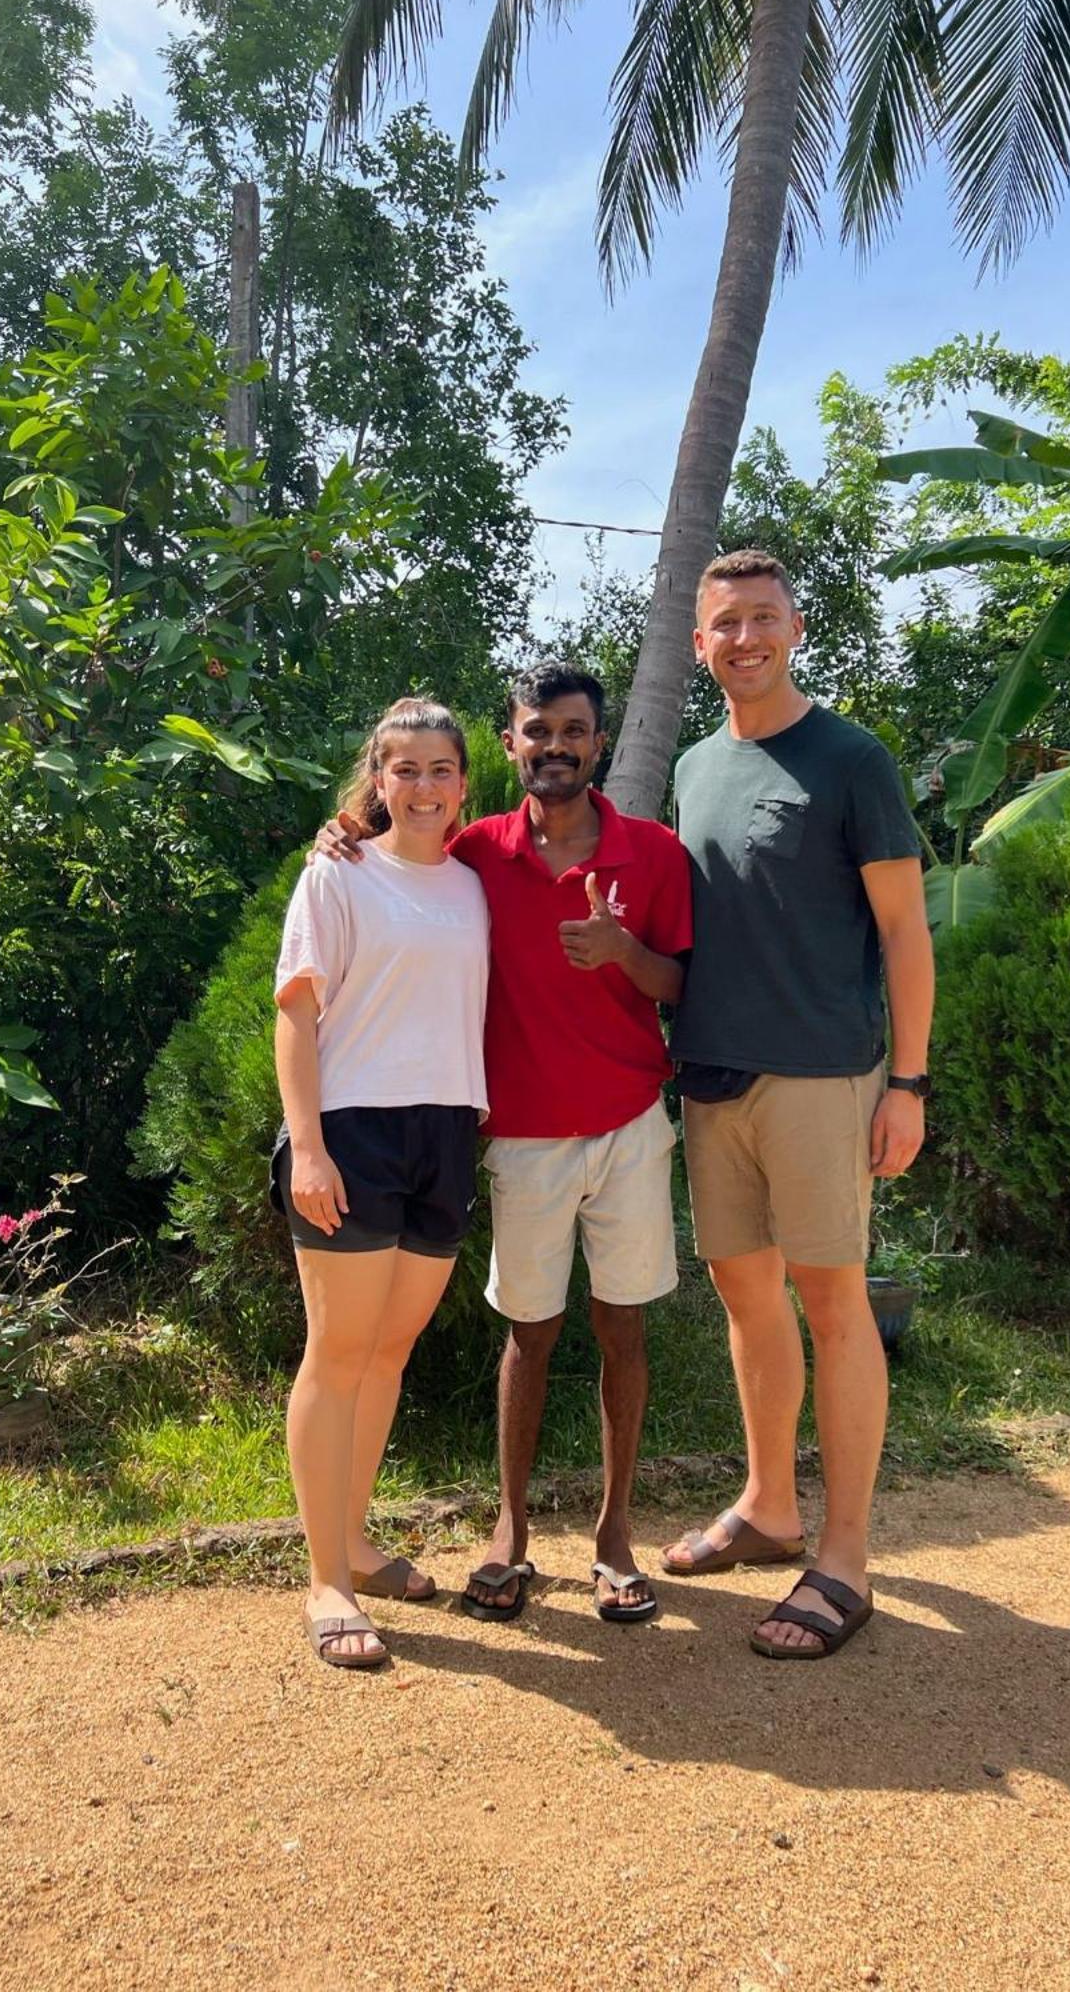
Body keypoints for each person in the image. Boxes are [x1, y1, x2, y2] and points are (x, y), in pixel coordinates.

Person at [316, 663, 692, 1625]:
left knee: (623, 1328)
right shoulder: (477, 850)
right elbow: (398, 843)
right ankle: (511, 1533)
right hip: (520, 1134)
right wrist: (346, 827)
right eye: (537, 731)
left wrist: (623, 953)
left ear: (598, 744)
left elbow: (683, 986)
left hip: (629, 1126)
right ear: (511, 741)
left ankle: (613, 1535)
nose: (555, 745)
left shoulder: (652, 853)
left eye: (574, 731)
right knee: (528, 1331)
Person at [661, 547, 934, 1661]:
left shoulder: (849, 758)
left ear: (796, 626)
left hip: (823, 1076)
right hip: (712, 1078)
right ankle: (769, 1506)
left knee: (834, 1305)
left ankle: (846, 1554)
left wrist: (906, 1083)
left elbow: (906, 932)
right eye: (724, 623)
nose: (744, 638)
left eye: (762, 618)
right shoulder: (690, 764)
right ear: (697, 643)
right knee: (745, 1298)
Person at [274, 698, 489, 1669]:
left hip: (446, 1129)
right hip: (352, 1127)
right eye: (403, 768)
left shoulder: (471, 885)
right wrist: (307, 1146)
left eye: (439, 768)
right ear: (376, 777)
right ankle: (326, 1576)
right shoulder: (337, 873)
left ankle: (356, 1536)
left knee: (389, 1350)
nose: (422, 785)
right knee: (338, 1349)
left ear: (461, 782)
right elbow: (295, 1014)